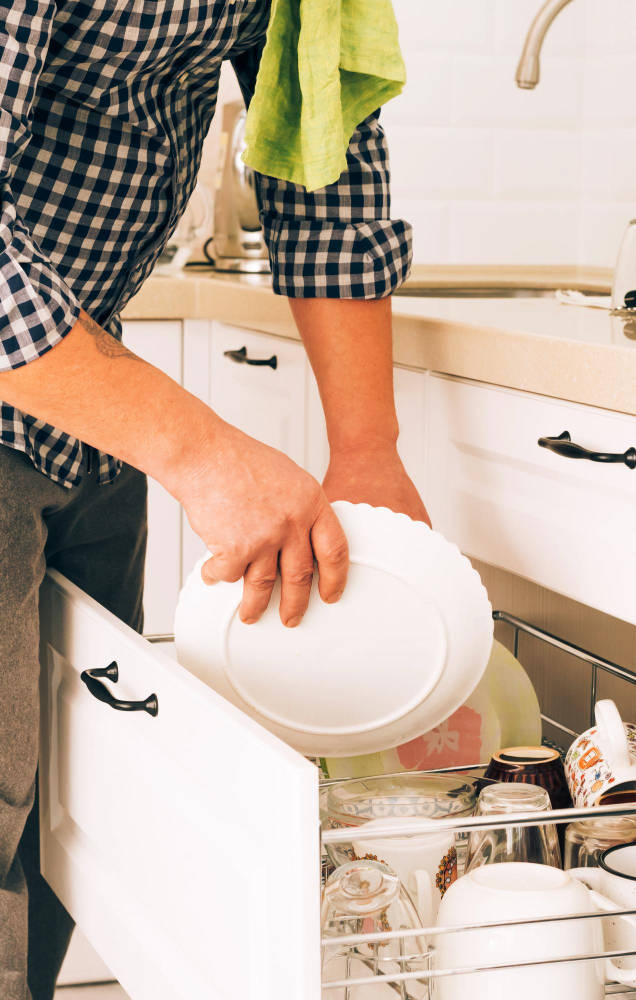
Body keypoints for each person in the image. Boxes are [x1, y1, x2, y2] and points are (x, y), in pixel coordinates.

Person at [0, 2, 428, 996]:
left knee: (68, 820)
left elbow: (321, 164)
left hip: (76, 401)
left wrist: (367, 447)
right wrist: (200, 451)